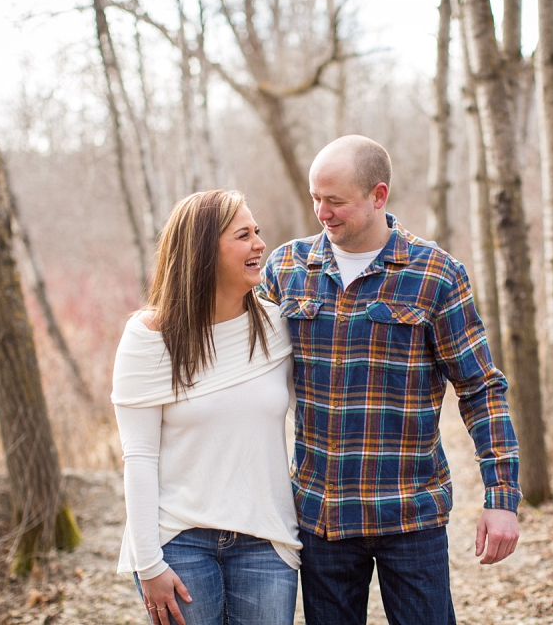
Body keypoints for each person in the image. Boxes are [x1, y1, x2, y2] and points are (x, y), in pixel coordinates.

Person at [260, 135, 521, 625]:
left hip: (411, 515)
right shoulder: (287, 269)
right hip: (323, 517)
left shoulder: (435, 274)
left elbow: (481, 390)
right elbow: (240, 369)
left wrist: (501, 498)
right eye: (316, 198)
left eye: (335, 201)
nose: (322, 212)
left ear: (378, 196)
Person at [111, 190, 301, 625]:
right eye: (243, 235)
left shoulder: (276, 326)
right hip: (179, 542)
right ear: (202, 252)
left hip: (266, 541)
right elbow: (138, 457)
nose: (259, 244)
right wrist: (148, 563)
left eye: (257, 232)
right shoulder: (149, 338)